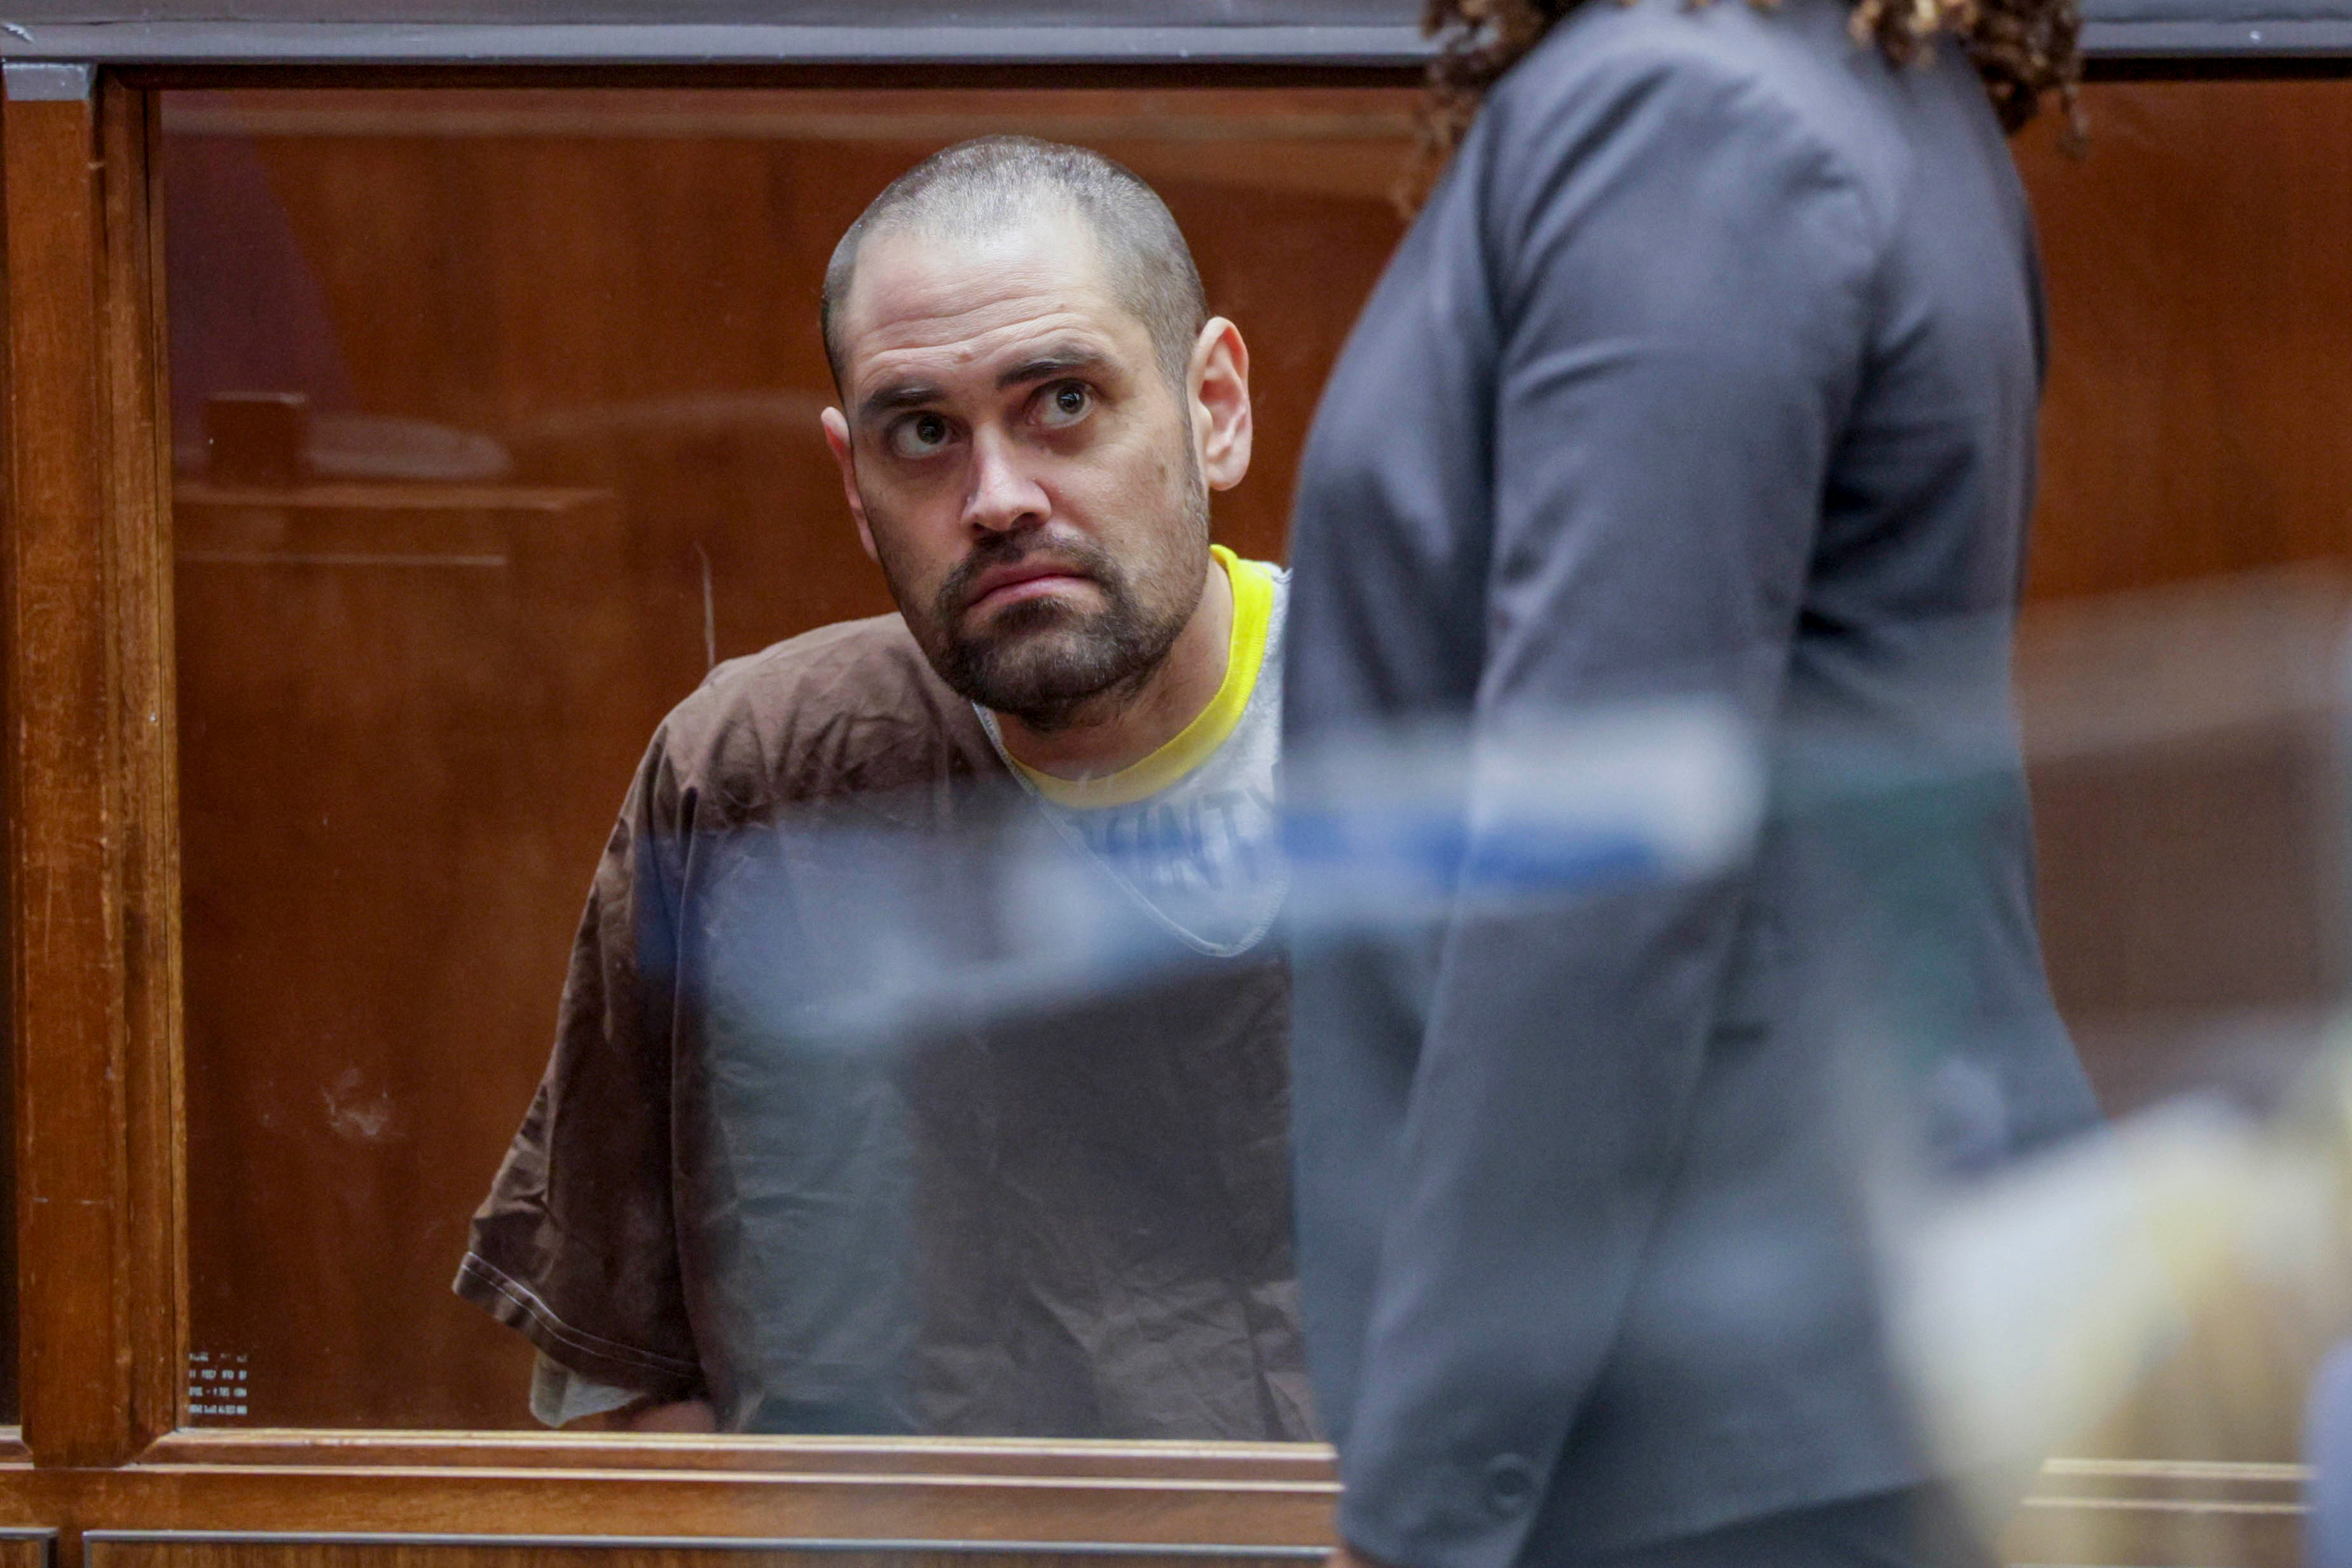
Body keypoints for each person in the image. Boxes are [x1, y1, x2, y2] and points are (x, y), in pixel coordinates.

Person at [1281, 0, 2103, 1562]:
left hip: (1684, 1387)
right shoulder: (1880, 95)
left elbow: (1599, 860)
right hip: (1810, 1359)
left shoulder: (1685, 110)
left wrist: (1434, 1495)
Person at [455, 136, 1310, 1441]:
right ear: (852, 482)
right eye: (920, 433)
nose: (998, 498)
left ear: (1215, 407)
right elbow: (630, 1384)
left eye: (1065, 402)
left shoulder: (1448, 742)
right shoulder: (758, 776)